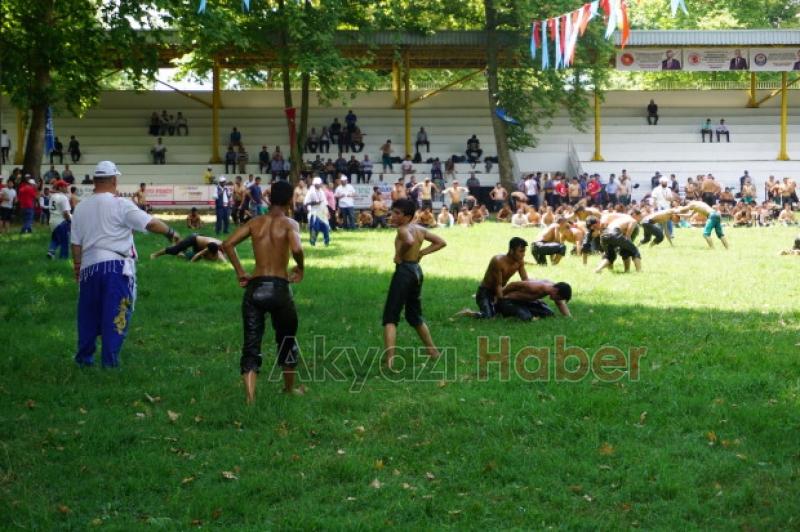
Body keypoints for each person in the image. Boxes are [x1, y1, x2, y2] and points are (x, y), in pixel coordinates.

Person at [71, 161, 180, 368]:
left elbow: (75, 244)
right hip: (115, 266)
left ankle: (84, 359)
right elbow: (151, 223)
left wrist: (77, 267)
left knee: (88, 313)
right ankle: (109, 362)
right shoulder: (120, 203)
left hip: (88, 266)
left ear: (95, 181)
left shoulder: (81, 207)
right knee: (116, 313)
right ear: (114, 180)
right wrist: (171, 232)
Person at [222, 180, 304, 401]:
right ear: (289, 200)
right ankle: (289, 389)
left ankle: (250, 398)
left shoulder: (255, 222)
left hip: (255, 287)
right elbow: (296, 248)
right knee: (286, 339)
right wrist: (300, 267)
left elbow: (227, 244)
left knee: (251, 343)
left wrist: (240, 271)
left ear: (269, 198)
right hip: (279, 287)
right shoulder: (289, 224)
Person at [382, 198, 446, 369]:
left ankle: (390, 360)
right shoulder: (420, 229)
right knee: (414, 315)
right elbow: (441, 242)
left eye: (397, 213)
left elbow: (409, 241)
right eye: (392, 212)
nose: (393, 216)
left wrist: (399, 255)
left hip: (404, 272)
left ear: (407, 217)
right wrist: (422, 253)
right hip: (416, 272)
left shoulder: (403, 230)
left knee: (390, 316)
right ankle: (433, 351)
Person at [458, 238, 528, 319]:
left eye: (524, 251)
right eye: (521, 251)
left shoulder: (520, 261)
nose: (523, 254)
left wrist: (531, 295)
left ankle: (496, 307)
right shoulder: (498, 261)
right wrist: (501, 301)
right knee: (488, 316)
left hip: (502, 290)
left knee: (509, 310)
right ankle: (469, 312)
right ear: (511, 251)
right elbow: (497, 285)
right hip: (486, 291)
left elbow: (525, 280)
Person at [497, 280, 572, 320]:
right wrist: (500, 296)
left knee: (549, 314)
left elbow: (560, 304)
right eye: (559, 298)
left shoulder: (553, 288)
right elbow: (513, 284)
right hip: (509, 301)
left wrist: (568, 317)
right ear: (556, 291)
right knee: (526, 317)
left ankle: (528, 311)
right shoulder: (534, 287)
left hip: (524, 302)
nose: (558, 300)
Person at [150, 234, 226, 262]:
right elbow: (199, 254)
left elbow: (224, 259)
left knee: (199, 258)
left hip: (201, 241)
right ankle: (155, 254)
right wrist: (191, 263)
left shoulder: (220, 248)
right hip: (194, 238)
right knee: (175, 250)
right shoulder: (211, 247)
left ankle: (181, 250)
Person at [46, 180, 72, 259]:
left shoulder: (53, 196)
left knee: (55, 238)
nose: (67, 187)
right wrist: (69, 221)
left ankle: (51, 252)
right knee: (64, 241)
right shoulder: (63, 197)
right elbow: (65, 213)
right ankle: (63, 258)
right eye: (65, 186)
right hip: (61, 221)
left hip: (52, 220)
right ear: (60, 187)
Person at [304, 177, 330, 246]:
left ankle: (326, 242)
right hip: (314, 213)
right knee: (315, 228)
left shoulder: (321, 191)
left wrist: (327, 211)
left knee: (326, 228)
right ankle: (312, 242)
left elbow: (325, 202)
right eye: (317, 184)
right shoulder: (310, 192)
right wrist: (314, 203)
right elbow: (306, 203)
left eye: (320, 184)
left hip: (322, 212)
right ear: (314, 184)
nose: (319, 185)